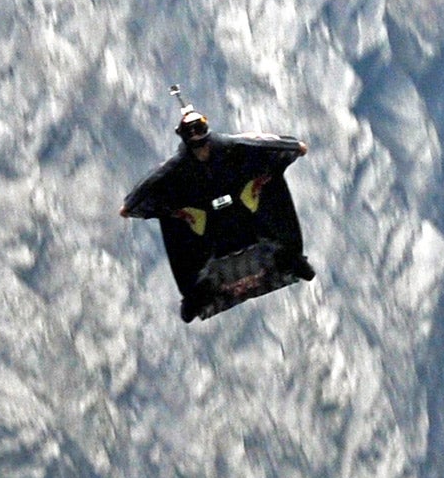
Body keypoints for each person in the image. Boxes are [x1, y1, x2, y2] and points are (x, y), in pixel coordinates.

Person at [119, 98, 315, 321]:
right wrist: (130, 205)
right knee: (180, 230)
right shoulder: (175, 171)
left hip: (246, 213)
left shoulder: (233, 147)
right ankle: (195, 296)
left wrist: (293, 147)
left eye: (199, 131)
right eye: (191, 134)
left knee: (270, 199)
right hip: (207, 227)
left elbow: (264, 143)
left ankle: (291, 259)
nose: (197, 140)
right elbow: (150, 183)